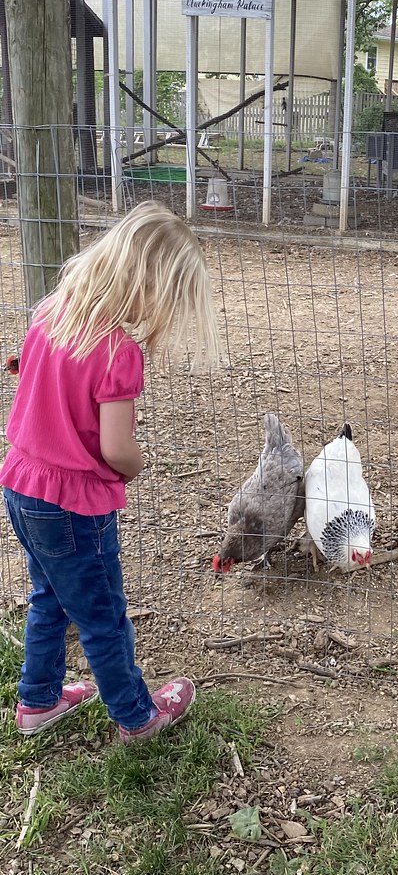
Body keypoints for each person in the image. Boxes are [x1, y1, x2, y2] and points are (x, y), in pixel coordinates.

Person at [1, 201, 222, 742]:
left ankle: (39, 700)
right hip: (74, 505)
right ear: (147, 284)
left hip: (21, 485)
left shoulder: (54, 308)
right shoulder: (117, 350)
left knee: (50, 594)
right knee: (103, 614)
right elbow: (116, 446)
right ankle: (136, 715)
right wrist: (138, 462)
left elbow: (30, 376)